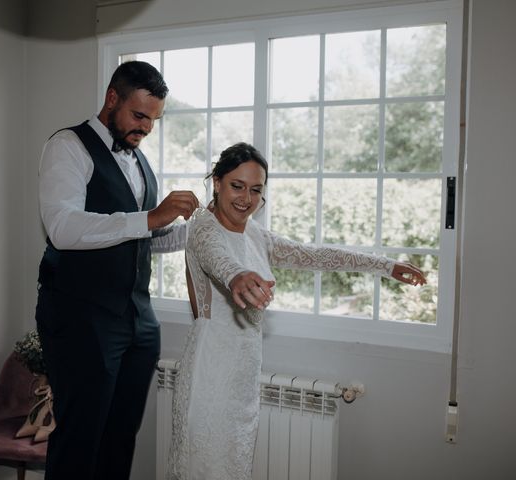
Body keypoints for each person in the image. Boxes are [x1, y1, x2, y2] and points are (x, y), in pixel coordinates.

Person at [166, 142, 426, 480]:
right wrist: (238, 278)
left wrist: (385, 265)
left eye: (256, 190)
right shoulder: (203, 227)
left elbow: (314, 255)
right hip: (209, 372)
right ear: (216, 182)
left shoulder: (257, 236)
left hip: (243, 373)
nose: (246, 198)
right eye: (237, 186)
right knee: (203, 468)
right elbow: (220, 259)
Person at [35, 60, 199, 479]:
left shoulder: (140, 163)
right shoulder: (67, 146)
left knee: (121, 436)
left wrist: (198, 231)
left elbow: (143, 237)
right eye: (139, 115)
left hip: (138, 321)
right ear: (112, 98)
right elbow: (63, 228)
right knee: (79, 437)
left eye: (154, 120)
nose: (145, 128)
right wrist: (149, 218)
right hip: (80, 317)